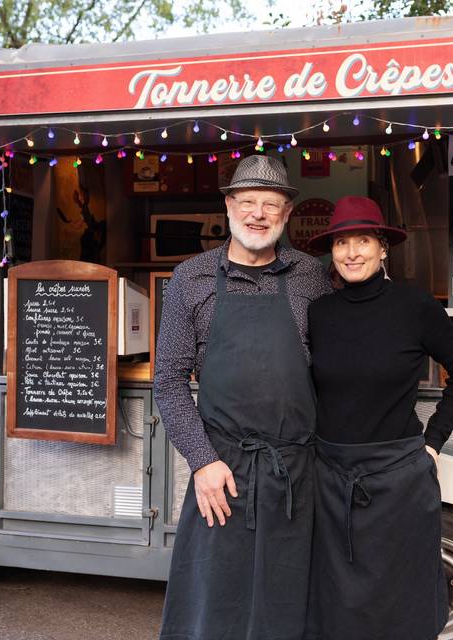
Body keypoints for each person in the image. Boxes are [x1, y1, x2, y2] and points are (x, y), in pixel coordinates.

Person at [154, 155, 333, 639]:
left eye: (270, 204)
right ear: (230, 206)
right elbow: (168, 381)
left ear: (286, 215)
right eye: (248, 202)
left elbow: (336, 362)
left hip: (296, 468)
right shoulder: (189, 279)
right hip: (223, 473)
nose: (258, 213)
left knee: (289, 598)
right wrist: (202, 462)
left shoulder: (309, 277)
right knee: (217, 601)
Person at [304, 196, 453, 640]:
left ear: (383, 248)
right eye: (342, 242)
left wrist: (434, 441)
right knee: (336, 599)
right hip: (331, 478)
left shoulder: (414, 306)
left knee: (400, 600)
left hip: (398, 479)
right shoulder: (319, 313)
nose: (351, 252)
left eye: (363, 240)